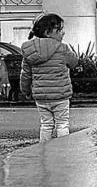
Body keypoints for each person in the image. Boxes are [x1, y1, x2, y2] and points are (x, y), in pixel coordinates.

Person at [19, 13, 79, 141]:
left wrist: (26, 91)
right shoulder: (62, 48)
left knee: (46, 124)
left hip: (41, 97)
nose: (63, 33)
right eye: (60, 30)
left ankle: (44, 149)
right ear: (48, 32)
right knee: (62, 123)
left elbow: (25, 75)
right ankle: (62, 149)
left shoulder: (30, 50)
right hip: (60, 95)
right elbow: (74, 62)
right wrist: (70, 52)